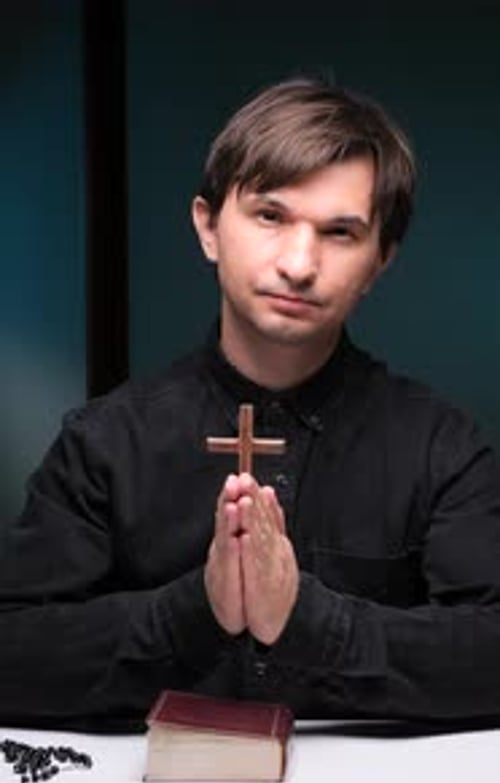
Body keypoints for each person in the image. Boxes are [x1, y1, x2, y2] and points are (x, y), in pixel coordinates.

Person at [1, 76, 500, 732]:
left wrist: (303, 617)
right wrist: (196, 609)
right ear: (209, 228)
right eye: (271, 216)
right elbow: (13, 653)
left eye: (340, 232)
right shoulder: (105, 442)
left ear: (380, 261)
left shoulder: (443, 446)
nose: (299, 263)